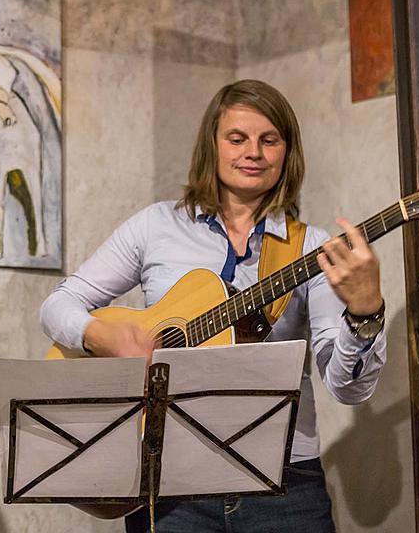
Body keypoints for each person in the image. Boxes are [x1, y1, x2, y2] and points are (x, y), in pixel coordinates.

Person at [40, 79, 386, 532]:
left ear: (287, 151)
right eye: (237, 138)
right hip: (167, 481)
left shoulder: (312, 248)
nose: (254, 153)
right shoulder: (156, 226)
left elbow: (347, 389)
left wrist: (365, 313)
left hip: (284, 484)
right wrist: (100, 335)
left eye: (270, 140)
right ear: (213, 145)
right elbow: (59, 303)